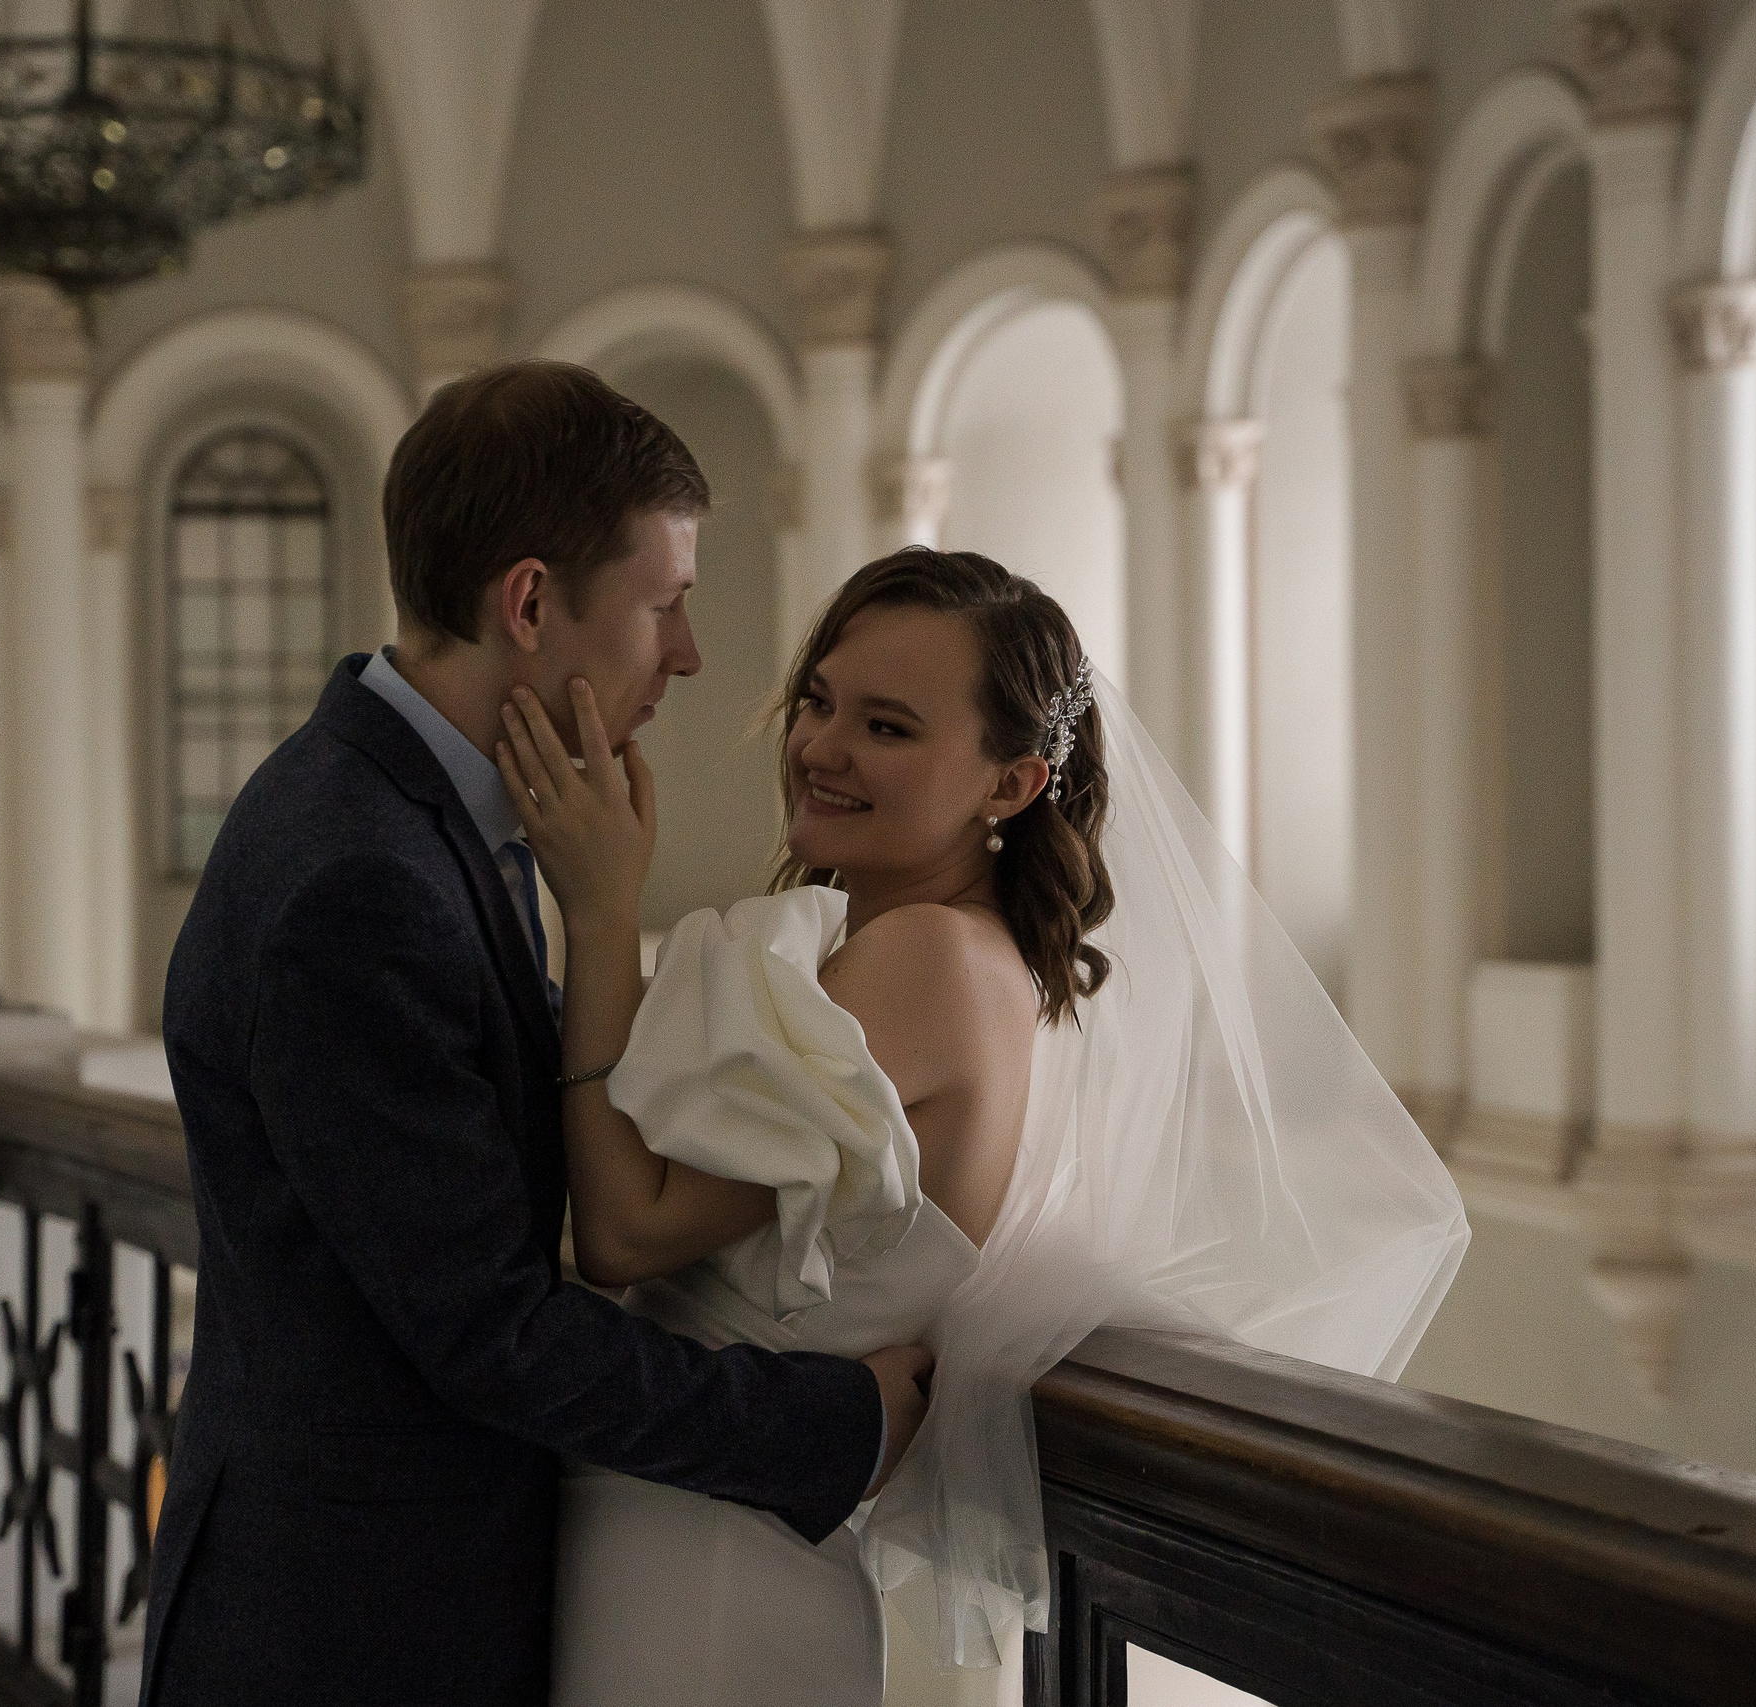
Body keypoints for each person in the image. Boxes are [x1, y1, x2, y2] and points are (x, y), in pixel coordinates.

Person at [506, 547, 1470, 1705]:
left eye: (887, 727)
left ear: (1010, 785)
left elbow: (626, 1233)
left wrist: (600, 910)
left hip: (704, 1563)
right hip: (701, 1532)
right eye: (819, 701)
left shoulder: (927, 961)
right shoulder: (957, 957)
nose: (821, 747)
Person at [137, 362, 935, 1707]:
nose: (687, 653)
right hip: (352, 1633)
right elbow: (490, 1332)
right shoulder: (363, 880)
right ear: (528, 603)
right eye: (663, 603)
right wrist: (832, 1421)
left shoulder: (416, 813)